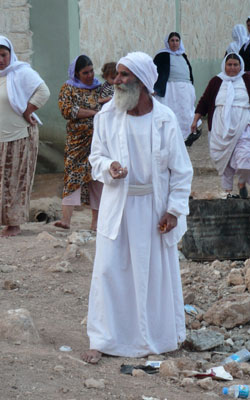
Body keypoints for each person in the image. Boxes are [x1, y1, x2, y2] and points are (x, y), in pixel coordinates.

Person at [81, 51, 193, 362]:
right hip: (118, 206)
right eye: (116, 75)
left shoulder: (164, 119)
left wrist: (173, 210)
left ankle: (154, 337)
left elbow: (181, 170)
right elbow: (96, 159)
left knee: (151, 274)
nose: (116, 81)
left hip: (153, 211)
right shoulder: (107, 116)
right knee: (108, 271)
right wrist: (110, 168)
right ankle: (103, 339)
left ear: (142, 83)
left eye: (124, 75)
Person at [191, 53, 250, 199]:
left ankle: (242, 182)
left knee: (246, 155)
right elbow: (204, 101)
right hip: (221, 126)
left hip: (244, 123)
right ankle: (228, 192)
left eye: (235, 65)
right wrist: (195, 120)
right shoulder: (216, 81)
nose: (232, 68)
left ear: (240, 65)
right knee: (226, 159)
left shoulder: (248, 80)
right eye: (229, 65)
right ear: (224, 65)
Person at [0, 36, 50, 237]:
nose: (0, 59)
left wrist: (28, 111)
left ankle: (14, 225)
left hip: (19, 137)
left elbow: (43, 91)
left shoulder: (21, 72)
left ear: (10, 54)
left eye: (3, 55)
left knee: (15, 180)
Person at [55, 55, 103, 231]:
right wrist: (93, 113)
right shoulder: (68, 88)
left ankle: (96, 223)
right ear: (76, 74)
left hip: (98, 141)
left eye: (91, 71)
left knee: (97, 178)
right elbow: (68, 110)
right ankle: (66, 219)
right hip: (77, 142)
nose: (90, 75)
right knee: (72, 177)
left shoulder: (101, 89)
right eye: (85, 73)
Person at [153, 32, 200, 141]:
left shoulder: (183, 55)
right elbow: (154, 71)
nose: (175, 43)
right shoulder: (162, 55)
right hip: (170, 89)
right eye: (172, 40)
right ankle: (169, 137)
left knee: (184, 112)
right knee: (171, 112)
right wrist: (155, 87)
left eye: (177, 40)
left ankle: (186, 135)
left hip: (184, 90)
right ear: (168, 42)